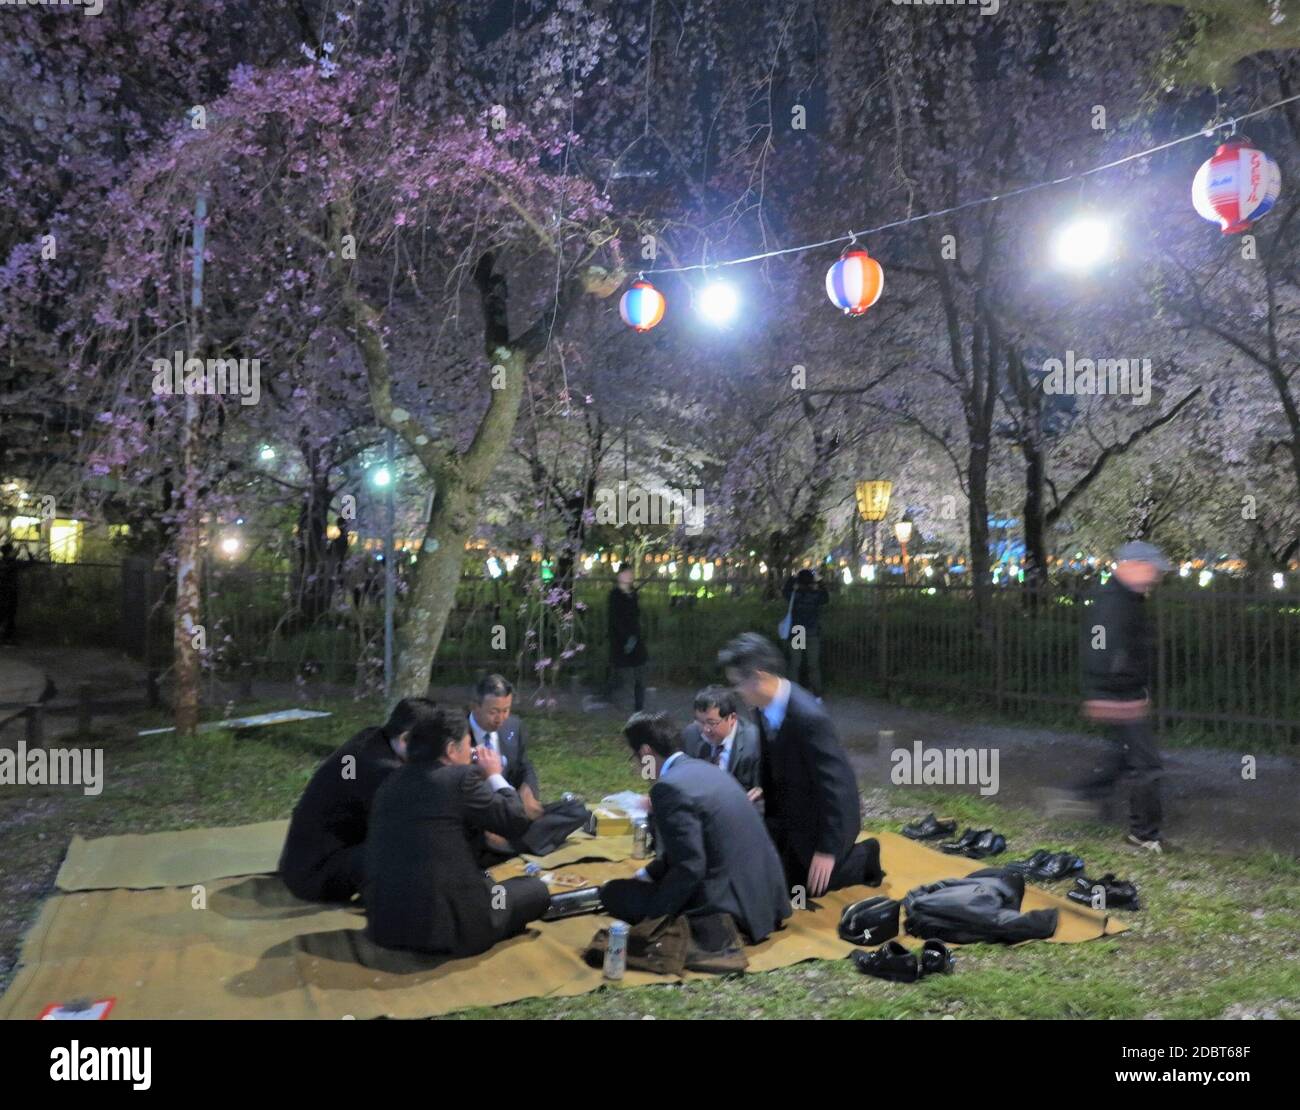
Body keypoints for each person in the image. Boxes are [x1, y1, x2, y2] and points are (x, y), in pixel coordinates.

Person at [364, 708, 550, 957]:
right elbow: (515, 820)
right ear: (452, 750)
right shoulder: (459, 779)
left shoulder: (389, 783)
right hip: (451, 927)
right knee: (534, 890)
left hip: (387, 925)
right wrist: (494, 776)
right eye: (468, 745)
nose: (472, 752)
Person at [599, 712, 791, 944]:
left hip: (730, 906)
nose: (637, 766)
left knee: (614, 893)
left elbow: (691, 866)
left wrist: (654, 918)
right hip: (766, 900)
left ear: (646, 753)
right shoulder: (704, 769)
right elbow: (689, 844)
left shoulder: (668, 788)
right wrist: (648, 874)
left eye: (635, 758)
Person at [718, 632, 881, 898]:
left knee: (809, 886)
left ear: (758, 677)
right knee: (760, 874)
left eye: (738, 684)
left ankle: (863, 856)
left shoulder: (808, 717)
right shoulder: (762, 705)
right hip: (788, 811)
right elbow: (772, 758)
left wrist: (828, 850)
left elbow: (838, 785)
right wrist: (764, 793)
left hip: (821, 819)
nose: (737, 692)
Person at [278, 696, 439, 902]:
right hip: (314, 878)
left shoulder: (373, 737)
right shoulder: (381, 770)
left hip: (300, 861)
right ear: (405, 739)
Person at [1070, 541, 1172, 853]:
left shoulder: (1126, 598)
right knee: (1147, 767)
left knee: (1125, 758)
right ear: (1131, 565)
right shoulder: (1113, 601)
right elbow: (1099, 650)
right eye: (1150, 569)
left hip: (1124, 694)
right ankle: (1142, 836)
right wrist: (1112, 693)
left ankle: (1082, 798)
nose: (1154, 576)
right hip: (1120, 697)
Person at [467, 674, 544, 820]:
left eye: (506, 710)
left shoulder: (514, 726)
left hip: (513, 809)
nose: (500, 719)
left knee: (574, 811)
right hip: (479, 814)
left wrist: (528, 791)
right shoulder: (459, 733)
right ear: (475, 707)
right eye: (493, 712)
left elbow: (524, 765)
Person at [679, 685, 763, 799]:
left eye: (712, 723)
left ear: (732, 718)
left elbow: (761, 788)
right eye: (700, 722)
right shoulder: (691, 734)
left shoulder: (755, 743)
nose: (705, 729)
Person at [781, 568, 829, 698]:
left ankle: (793, 693)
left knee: (795, 664)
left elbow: (785, 591)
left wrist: (793, 577)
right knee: (813, 664)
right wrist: (820, 582)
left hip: (798, 631)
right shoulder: (816, 595)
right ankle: (817, 692)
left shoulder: (794, 595)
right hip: (812, 631)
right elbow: (826, 597)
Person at [605, 563, 648, 710]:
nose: (629, 576)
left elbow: (636, 616)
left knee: (640, 673)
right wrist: (625, 638)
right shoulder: (615, 596)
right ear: (619, 576)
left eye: (631, 573)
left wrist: (635, 635)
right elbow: (615, 620)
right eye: (626, 573)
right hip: (620, 640)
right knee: (619, 674)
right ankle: (607, 696)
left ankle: (639, 707)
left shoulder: (633, 594)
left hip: (635, 638)